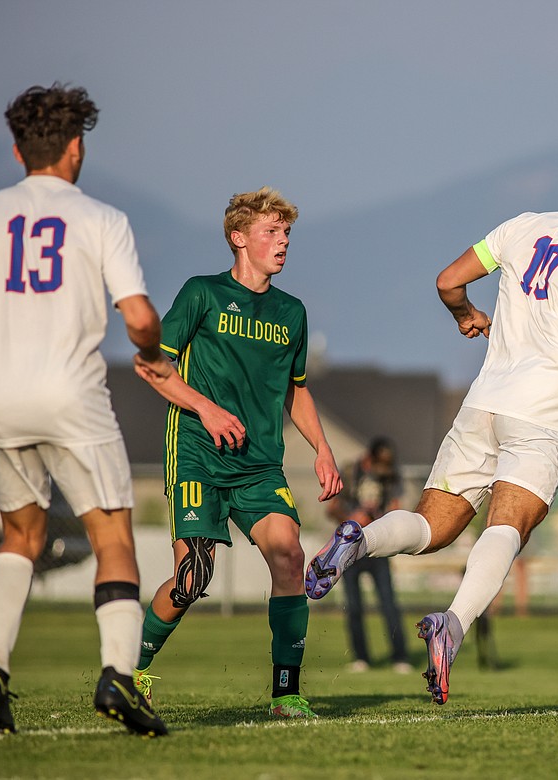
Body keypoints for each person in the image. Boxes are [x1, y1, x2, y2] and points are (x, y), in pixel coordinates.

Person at [305, 166, 558, 704]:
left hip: (484, 402)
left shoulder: (525, 225)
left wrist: (467, 314)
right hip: (541, 415)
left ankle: (358, 539)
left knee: (430, 527)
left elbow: (448, 281)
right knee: (509, 526)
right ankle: (454, 626)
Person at [0, 84, 167, 735]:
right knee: (112, 537)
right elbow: (141, 319)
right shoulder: (101, 219)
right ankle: (119, 677)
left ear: (15, 151)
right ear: (76, 148)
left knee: (19, 536)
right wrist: (153, 350)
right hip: (71, 397)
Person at [132, 187, 343, 719]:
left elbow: (297, 388)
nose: (283, 242)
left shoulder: (291, 312)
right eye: (271, 232)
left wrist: (323, 449)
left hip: (258, 465)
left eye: (287, 233)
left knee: (290, 554)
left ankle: (286, 694)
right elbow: (155, 366)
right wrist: (206, 408)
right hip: (199, 453)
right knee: (192, 578)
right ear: (238, 237)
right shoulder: (201, 294)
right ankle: (132, 672)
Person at [327, 436, 413, 674]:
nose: (383, 471)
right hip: (350, 550)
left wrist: (381, 522)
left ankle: (400, 656)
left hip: (379, 547)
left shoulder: (391, 476)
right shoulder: (349, 472)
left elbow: (396, 509)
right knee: (354, 606)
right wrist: (352, 522)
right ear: (368, 459)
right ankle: (361, 657)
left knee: (388, 604)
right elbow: (331, 509)